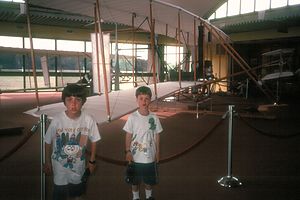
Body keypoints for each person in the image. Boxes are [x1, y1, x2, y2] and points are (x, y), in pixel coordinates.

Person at [43, 84, 101, 200]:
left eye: (78, 100)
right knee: (59, 193)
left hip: (78, 166)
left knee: (77, 193)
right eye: (69, 99)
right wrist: (47, 162)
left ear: (83, 102)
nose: (73, 104)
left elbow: (95, 139)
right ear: (64, 101)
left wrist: (92, 161)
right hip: (59, 167)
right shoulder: (57, 120)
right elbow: (47, 141)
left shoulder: (88, 120)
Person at [123, 86, 163, 200]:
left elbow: (157, 135)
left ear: (150, 100)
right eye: (141, 98)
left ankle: (149, 196)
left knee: (148, 181)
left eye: (146, 98)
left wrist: (158, 151)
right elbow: (128, 135)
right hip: (135, 157)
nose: (144, 101)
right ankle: (135, 197)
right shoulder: (132, 117)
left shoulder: (154, 118)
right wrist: (127, 151)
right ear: (137, 100)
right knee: (134, 182)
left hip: (150, 157)